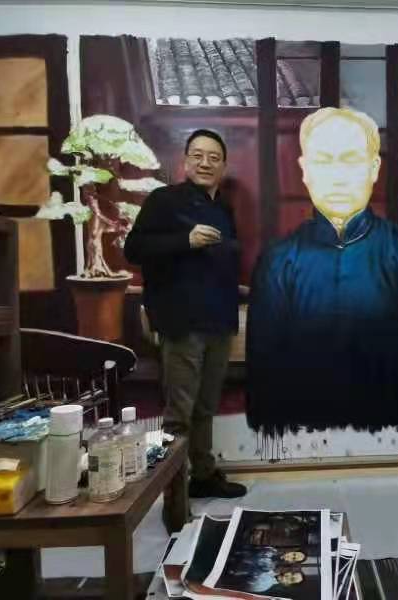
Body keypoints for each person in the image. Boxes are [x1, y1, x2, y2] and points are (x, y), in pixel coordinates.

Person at [247, 107, 398, 438]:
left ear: (374, 169)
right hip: (304, 440)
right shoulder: (279, 260)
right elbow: (264, 370)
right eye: (324, 161)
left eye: (350, 160)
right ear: (305, 170)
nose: (338, 176)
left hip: (392, 436)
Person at [124, 129, 246, 534]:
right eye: (198, 155)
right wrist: (185, 240)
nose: (205, 162)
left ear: (223, 165)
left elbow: (221, 262)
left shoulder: (223, 207)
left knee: (205, 406)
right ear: (185, 161)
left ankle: (204, 475)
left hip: (219, 321)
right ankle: (174, 503)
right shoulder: (164, 200)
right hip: (182, 322)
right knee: (179, 414)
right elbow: (133, 249)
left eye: (214, 157)